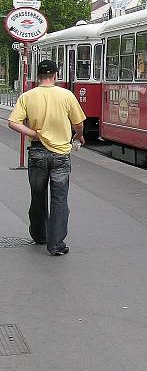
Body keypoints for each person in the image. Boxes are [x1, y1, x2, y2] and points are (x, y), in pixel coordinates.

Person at [7, 59, 86, 256]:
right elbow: (78, 123)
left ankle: (39, 235)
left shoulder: (27, 96)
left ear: (38, 77)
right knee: (59, 199)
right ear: (56, 75)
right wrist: (78, 135)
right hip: (60, 154)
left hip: (37, 152)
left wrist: (33, 134)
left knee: (38, 196)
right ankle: (56, 245)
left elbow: (13, 122)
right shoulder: (66, 95)